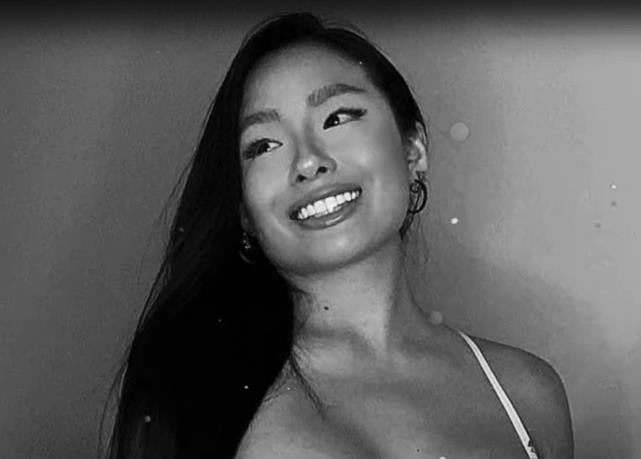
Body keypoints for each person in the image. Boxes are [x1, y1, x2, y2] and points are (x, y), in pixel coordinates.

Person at [102, 12, 574, 458]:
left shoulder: (528, 394)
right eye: (264, 145)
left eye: (337, 118)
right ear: (243, 209)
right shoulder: (192, 397)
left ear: (413, 150)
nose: (308, 161)